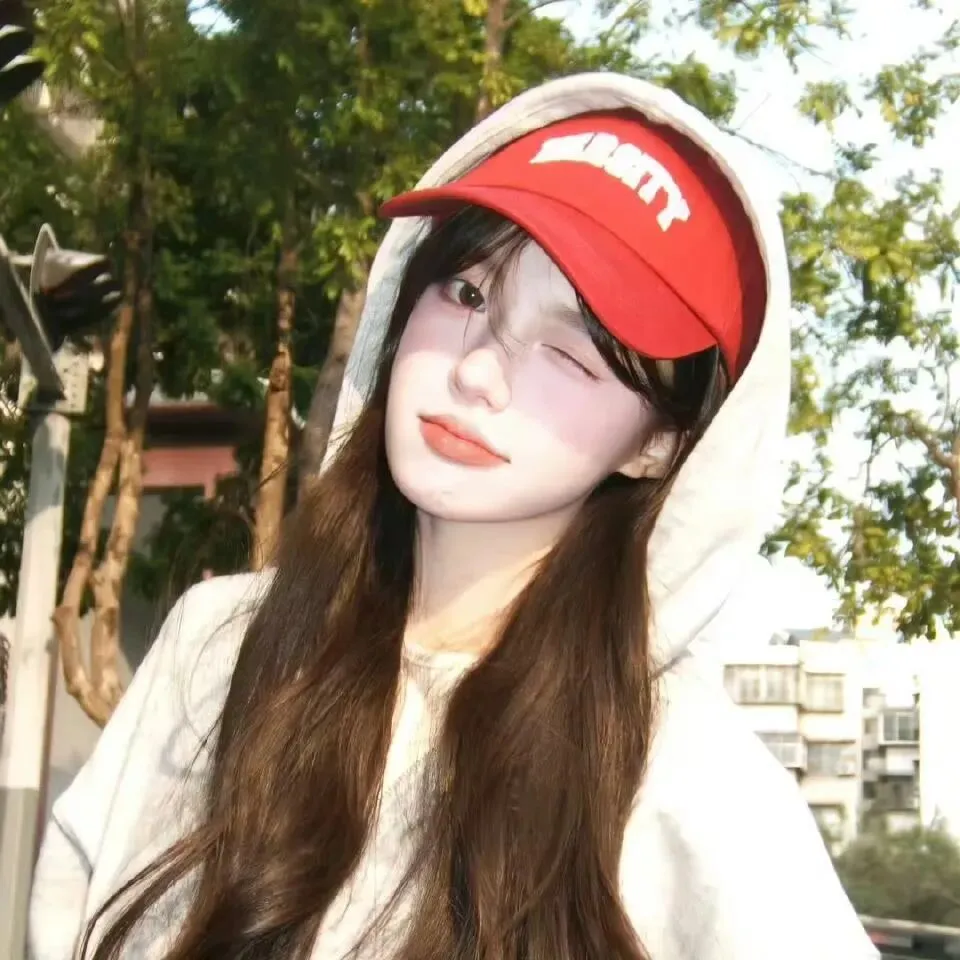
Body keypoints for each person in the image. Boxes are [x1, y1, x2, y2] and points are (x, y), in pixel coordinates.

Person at [28, 73, 879, 960]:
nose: (476, 372)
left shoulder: (687, 778)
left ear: (659, 446)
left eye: (570, 353)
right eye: (467, 295)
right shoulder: (217, 649)